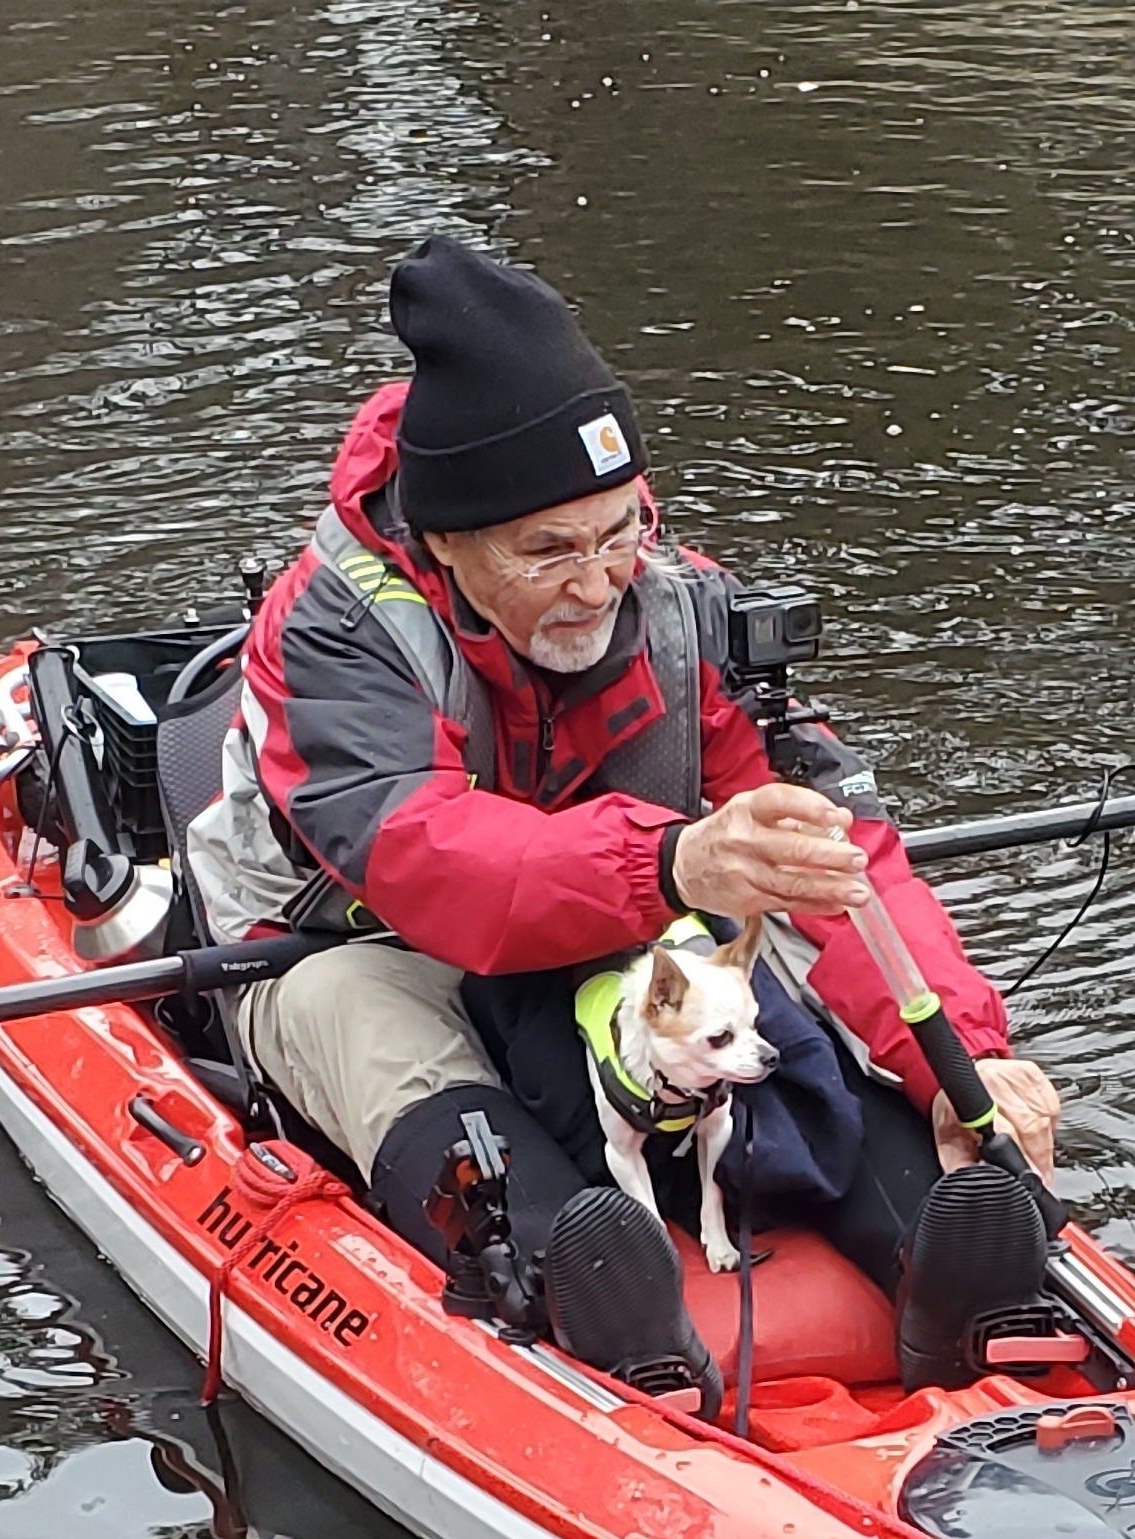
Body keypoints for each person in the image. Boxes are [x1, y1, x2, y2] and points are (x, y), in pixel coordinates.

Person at [182, 235, 1064, 1398]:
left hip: (616, 916)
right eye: (548, 552)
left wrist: (963, 1057)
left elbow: (837, 852)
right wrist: (680, 863)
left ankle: (949, 1244)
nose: (599, 587)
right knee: (361, 1017)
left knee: (777, 955)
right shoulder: (333, 632)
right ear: (445, 543)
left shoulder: (683, 599)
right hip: (358, 943)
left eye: (618, 532)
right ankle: (581, 1278)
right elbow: (424, 859)